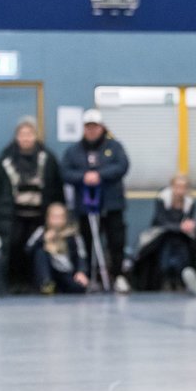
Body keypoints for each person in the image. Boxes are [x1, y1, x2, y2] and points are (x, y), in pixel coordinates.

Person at [0, 117, 65, 292]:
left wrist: (57, 212)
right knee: (14, 249)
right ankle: (14, 284)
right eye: (22, 134)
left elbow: (57, 187)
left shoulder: (48, 158)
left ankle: (39, 282)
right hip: (13, 218)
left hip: (40, 217)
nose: (26, 138)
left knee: (38, 250)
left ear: (35, 135)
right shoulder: (4, 160)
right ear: (16, 136)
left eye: (29, 134)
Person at [61, 109, 131, 293]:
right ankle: (89, 277)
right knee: (86, 242)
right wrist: (84, 176)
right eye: (88, 127)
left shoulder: (114, 147)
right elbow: (66, 172)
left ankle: (118, 276)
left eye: (95, 127)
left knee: (116, 242)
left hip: (111, 205)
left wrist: (100, 175)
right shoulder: (74, 151)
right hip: (86, 207)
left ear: (102, 127)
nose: (92, 131)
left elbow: (122, 166)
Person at [132, 174, 196, 291]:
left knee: (184, 249)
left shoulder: (190, 202)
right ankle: (165, 280)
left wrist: (188, 226)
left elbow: (188, 222)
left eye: (183, 187)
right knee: (165, 249)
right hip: (161, 236)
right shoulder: (162, 198)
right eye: (177, 186)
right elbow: (161, 221)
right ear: (172, 186)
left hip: (181, 237)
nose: (180, 190)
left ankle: (181, 280)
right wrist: (179, 227)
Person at [28, 202, 89, 295]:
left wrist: (81, 271)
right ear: (48, 218)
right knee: (40, 252)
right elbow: (28, 250)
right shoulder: (41, 231)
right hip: (49, 272)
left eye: (60, 217)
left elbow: (81, 255)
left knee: (78, 288)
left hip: (67, 272)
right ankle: (46, 284)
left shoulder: (73, 235)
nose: (56, 221)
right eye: (53, 217)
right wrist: (42, 239)